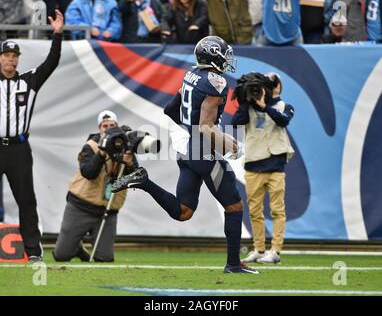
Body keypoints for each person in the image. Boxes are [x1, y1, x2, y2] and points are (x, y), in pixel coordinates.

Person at [111, 36, 259, 274]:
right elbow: (206, 127)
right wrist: (230, 144)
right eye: (224, 54)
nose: (228, 59)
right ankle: (233, 264)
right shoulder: (216, 82)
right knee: (234, 206)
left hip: (190, 150)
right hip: (203, 151)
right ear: (214, 56)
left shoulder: (191, 74)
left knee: (183, 211)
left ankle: (143, 181)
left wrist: (192, 130)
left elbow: (171, 109)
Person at [0, 9, 64, 263]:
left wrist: (57, 35)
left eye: (15, 56)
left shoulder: (29, 82)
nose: (11, 60)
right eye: (7, 55)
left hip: (18, 148)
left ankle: (33, 251)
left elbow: (52, 62)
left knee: (27, 200)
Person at [53, 111, 138, 262]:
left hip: (108, 209)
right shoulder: (91, 146)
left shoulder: (125, 148)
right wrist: (102, 152)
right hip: (81, 206)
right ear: (99, 129)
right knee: (61, 255)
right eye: (105, 126)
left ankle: (89, 245)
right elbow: (88, 173)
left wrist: (130, 162)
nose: (109, 129)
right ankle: (75, 247)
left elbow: (133, 178)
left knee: (104, 258)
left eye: (113, 126)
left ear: (118, 127)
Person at [231, 72, 295, 264]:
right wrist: (246, 100)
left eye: (272, 83)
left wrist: (264, 106)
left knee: (277, 210)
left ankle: (275, 251)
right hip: (253, 164)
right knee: (254, 211)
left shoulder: (285, 106)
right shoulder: (247, 108)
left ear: (278, 87)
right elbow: (235, 123)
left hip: (276, 164)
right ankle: (259, 249)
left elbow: (283, 120)